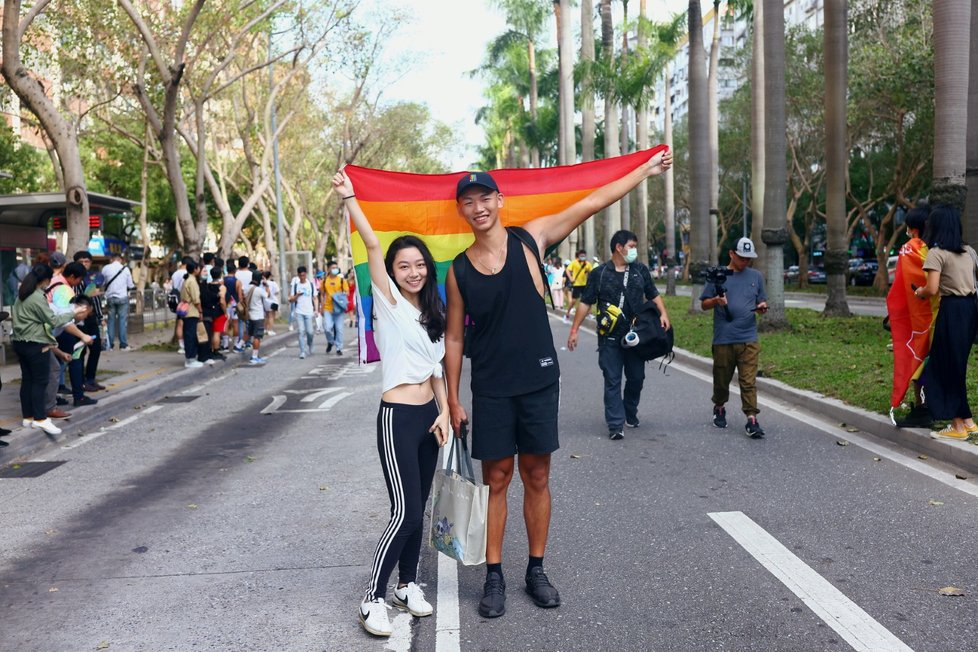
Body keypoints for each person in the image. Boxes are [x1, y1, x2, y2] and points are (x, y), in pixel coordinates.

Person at [445, 148, 673, 619]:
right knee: (496, 479)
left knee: (538, 475)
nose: (479, 207)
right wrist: (451, 398)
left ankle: (536, 569)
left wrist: (645, 170)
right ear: (461, 210)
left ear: (500, 200)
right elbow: (452, 337)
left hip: (538, 381)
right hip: (490, 386)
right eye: (469, 201)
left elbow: (592, 202)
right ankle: (494, 576)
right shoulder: (458, 270)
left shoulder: (532, 238)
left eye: (485, 197)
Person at [334, 170, 449, 638]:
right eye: (405, 266)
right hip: (397, 417)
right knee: (402, 510)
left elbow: (436, 370)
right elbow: (374, 246)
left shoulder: (431, 313)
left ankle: (408, 585)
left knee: (418, 507)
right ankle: (373, 598)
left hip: (428, 417)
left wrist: (444, 411)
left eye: (419, 264)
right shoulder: (388, 303)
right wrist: (350, 199)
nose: (413, 271)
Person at [567, 230, 671, 441]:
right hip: (609, 338)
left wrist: (664, 314)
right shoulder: (600, 273)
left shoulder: (640, 270)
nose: (634, 250)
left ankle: (629, 411)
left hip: (636, 337)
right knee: (612, 379)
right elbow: (586, 302)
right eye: (632, 246)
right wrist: (574, 330)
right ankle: (615, 424)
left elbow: (653, 294)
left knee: (636, 378)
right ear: (619, 247)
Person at [914, 205, 978, 440]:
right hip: (970, 310)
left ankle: (957, 427)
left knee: (945, 367)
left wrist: (918, 292)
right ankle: (968, 421)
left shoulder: (936, 253)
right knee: (957, 365)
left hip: (951, 311)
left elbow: (931, 288)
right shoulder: (969, 251)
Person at [699, 237, 769, 438]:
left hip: (748, 338)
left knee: (748, 381)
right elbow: (704, 304)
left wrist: (762, 307)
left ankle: (751, 419)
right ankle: (719, 406)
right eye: (741, 258)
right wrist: (716, 300)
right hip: (724, 339)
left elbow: (761, 299)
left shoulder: (756, 276)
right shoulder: (718, 275)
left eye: (748, 259)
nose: (745, 262)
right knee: (722, 380)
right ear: (731, 254)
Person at [13, 264, 93, 435]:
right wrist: (74, 312)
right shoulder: (36, 296)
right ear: (45, 280)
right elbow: (53, 320)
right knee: (40, 381)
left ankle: (28, 417)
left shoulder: (21, 295)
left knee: (27, 380)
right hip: (35, 343)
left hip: (20, 342)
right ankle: (41, 419)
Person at [886, 204, 934, 427]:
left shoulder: (909, 248)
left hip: (917, 317)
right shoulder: (935, 248)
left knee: (917, 360)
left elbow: (900, 286)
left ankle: (923, 406)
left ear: (913, 227)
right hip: (939, 314)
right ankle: (934, 406)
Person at [53, 262, 98, 407]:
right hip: (54, 330)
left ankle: (52, 397)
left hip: (49, 332)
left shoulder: (55, 281)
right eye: (79, 279)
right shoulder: (64, 290)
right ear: (72, 276)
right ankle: (79, 396)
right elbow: (64, 320)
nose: (79, 283)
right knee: (75, 359)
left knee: (54, 365)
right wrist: (82, 336)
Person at [72, 251, 106, 393]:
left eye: (87, 261)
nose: (85, 264)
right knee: (80, 350)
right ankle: (80, 382)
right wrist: (87, 295)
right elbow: (75, 300)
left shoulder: (93, 278)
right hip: (80, 319)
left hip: (93, 318)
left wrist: (101, 317)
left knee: (96, 348)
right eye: (81, 262)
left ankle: (90, 378)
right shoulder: (75, 280)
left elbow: (97, 301)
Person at [101, 251, 135, 351]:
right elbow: (130, 285)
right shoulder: (126, 269)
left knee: (111, 321)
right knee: (122, 321)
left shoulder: (106, 268)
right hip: (122, 298)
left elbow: (102, 282)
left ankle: (110, 345)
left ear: (111, 259)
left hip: (110, 298)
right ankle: (123, 345)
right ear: (120, 260)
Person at [179, 261, 208, 368]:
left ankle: (190, 358)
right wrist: (200, 311)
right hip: (192, 312)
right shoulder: (192, 282)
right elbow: (196, 300)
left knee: (189, 335)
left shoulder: (187, 280)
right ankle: (190, 359)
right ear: (195, 269)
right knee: (191, 336)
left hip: (187, 311)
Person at [288, 266, 318, 359]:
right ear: (298, 275)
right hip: (299, 311)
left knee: (310, 332)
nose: (302, 277)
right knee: (301, 331)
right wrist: (297, 295)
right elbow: (291, 299)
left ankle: (310, 344)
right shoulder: (296, 285)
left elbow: (315, 298)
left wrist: (316, 310)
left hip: (309, 311)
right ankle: (302, 351)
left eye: (304, 275)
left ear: (306, 274)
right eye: (300, 275)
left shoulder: (311, 284)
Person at [320, 259, 349, 355]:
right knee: (327, 328)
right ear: (328, 269)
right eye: (333, 268)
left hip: (339, 309)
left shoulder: (342, 280)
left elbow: (346, 293)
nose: (335, 269)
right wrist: (321, 307)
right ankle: (331, 341)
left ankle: (339, 348)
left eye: (336, 268)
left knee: (339, 329)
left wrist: (340, 297)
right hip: (328, 308)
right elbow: (322, 294)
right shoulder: (324, 281)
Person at [244, 270, 272, 365]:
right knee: (257, 337)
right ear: (260, 279)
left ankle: (238, 345)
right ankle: (254, 356)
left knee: (249, 333)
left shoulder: (247, 288)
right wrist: (266, 285)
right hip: (258, 316)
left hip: (249, 315)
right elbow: (267, 295)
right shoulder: (259, 290)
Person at [201, 265, 228, 361]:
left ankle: (211, 349)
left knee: (211, 332)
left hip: (208, 311)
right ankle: (215, 351)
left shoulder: (207, 286)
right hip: (218, 311)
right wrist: (225, 312)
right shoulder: (222, 287)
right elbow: (222, 301)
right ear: (220, 275)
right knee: (217, 332)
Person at [562, 249, 593, 323]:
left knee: (588, 299)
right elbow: (567, 270)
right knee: (573, 301)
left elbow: (591, 272)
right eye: (581, 256)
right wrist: (571, 278)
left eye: (584, 256)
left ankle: (589, 314)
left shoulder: (587, 264)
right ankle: (567, 314)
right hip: (576, 285)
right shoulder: (574, 263)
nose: (583, 257)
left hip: (584, 284)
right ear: (578, 256)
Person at [263, 270, 279, 336]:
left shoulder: (263, 283)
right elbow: (277, 291)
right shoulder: (273, 283)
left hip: (265, 302)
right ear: (270, 276)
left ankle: (265, 329)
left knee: (267, 316)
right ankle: (270, 330)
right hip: (273, 301)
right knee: (272, 316)